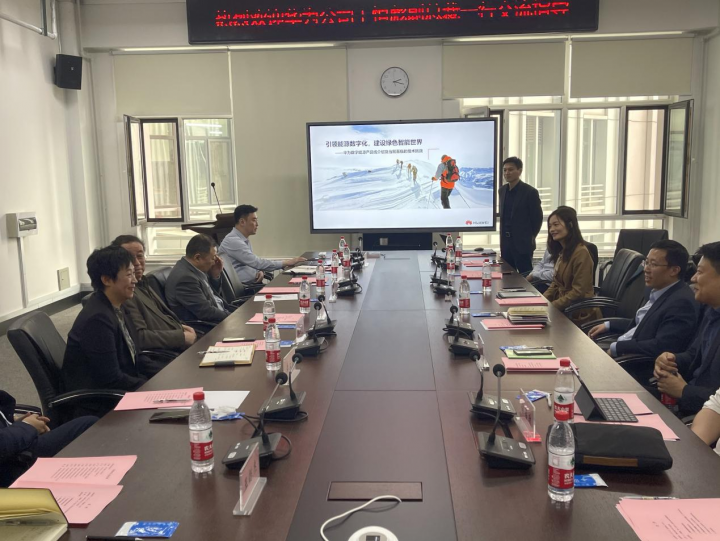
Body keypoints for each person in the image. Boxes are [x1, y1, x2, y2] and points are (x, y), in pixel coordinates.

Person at [62, 246, 148, 416]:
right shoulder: (97, 320)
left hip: (122, 390)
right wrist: (152, 388)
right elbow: (111, 378)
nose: (135, 280)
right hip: (100, 405)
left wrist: (162, 378)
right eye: (128, 275)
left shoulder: (118, 306)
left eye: (133, 274)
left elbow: (135, 356)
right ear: (107, 280)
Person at [588, 240, 697, 359]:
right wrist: (608, 325)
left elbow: (662, 346)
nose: (646, 269)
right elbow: (643, 324)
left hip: (633, 361)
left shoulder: (681, 303)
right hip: (625, 347)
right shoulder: (660, 291)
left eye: (653, 264)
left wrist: (617, 348)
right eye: (646, 262)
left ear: (674, 270)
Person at [653, 242, 720, 416]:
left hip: (702, 417)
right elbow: (693, 355)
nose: (693, 278)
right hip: (685, 405)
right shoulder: (711, 311)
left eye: (700, 272)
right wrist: (670, 359)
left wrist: (684, 391)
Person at [111, 235, 196, 354]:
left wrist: (180, 327)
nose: (136, 262)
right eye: (129, 257)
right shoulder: (125, 293)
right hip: (167, 354)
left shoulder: (144, 283)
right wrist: (181, 337)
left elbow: (160, 319)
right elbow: (140, 337)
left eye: (140, 256)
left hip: (180, 341)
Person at [0, 390, 97, 487]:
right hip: (10, 461)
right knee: (89, 426)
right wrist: (27, 425)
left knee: (87, 425)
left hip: (11, 440)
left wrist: (13, 422)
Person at [543, 206, 601, 325]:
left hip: (579, 313)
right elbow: (555, 284)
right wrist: (541, 301)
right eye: (550, 226)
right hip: (565, 307)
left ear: (570, 225)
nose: (552, 229)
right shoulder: (563, 251)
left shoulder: (581, 252)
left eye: (556, 225)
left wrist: (552, 306)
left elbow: (578, 292)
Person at [219, 204, 306, 283]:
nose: (257, 224)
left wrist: (258, 271)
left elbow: (250, 261)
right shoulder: (233, 241)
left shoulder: (243, 239)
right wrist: (286, 262)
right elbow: (257, 262)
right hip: (245, 288)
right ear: (242, 222)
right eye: (254, 220)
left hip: (251, 284)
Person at [165, 234, 233, 327]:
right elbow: (206, 312)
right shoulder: (185, 279)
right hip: (209, 327)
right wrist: (233, 317)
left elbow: (212, 296)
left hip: (220, 315)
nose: (214, 262)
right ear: (197, 257)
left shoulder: (194, 268)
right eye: (213, 258)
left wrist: (215, 275)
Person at [498, 157, 543, 274]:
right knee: (507, 276)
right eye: (505, 170)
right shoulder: (502, 191)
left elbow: (537, 219)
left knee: (526, 276)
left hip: (522, 244)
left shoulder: (530, 192)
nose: (507, 173)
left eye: (511, 169)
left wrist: (528, 237)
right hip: (506, 243)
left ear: (519, 171)